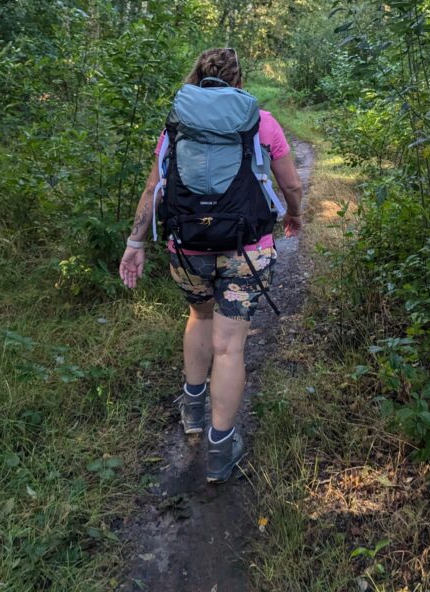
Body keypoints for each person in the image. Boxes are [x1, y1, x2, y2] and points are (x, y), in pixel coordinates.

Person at [118, 48, 303, 482]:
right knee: (230, 345)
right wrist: (294, 213)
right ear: (239, 81)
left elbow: (154, 189)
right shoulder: (263, 121)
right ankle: (220, 453)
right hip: (247, 250)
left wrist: (135, 243)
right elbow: (291, 183)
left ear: (197, 77)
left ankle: (193, 412)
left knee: (198, 317)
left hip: (188, 245)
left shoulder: (177, 124)